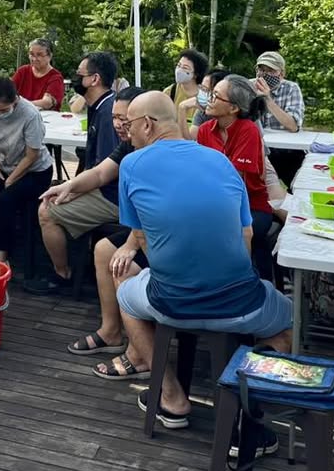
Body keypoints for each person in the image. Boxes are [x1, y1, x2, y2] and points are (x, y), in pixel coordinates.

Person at [116, 92, 293, 431]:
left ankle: (171, 396)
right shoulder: (219, 160)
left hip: (172, 300)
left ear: (148, 125)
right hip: (241, 299)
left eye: (129, 126)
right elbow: (246, 236)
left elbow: (140, 238)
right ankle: (249, 393)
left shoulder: (133, 165)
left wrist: (173, 273)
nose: (127, 133)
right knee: (287, 321)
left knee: (124, 284)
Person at [31, 87, 144, 346]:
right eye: (114, 117)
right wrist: (67, 186)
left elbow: (155, 210)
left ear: (145, 120)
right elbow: (100, 173)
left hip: (156, 232)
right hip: (132, 218)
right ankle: (111, 331)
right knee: (104, 249)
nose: (117, 124)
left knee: (117, 259)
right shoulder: (129, 145)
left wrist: (131, 244)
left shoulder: (155, 152)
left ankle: (139, 352)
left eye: (124, 119)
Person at [25, 54, 124, 295]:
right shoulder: (100, 105)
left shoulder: (109, 112)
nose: (75, 78)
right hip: (104, 187)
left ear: (94, 79)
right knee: (55, 191)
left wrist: (75, 189)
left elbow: (107, 170)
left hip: (114, 196)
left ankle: (62, 274)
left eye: (80, 74)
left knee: (47, 211)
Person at [196, 76, 276, 279]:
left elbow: (235, 182)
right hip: (215, 203)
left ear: (233, 108)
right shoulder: (205, 130)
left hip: (251, 205)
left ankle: (244, 283)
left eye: (216, 96)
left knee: (227, 231)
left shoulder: (248, 130)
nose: (209, 99)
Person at [0, 77, 55, 263]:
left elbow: (32, 154)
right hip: (3, 166)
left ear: (15, 100)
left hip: (34, 171)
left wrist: (11, 180)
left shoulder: (30, 114)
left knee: (6, 200)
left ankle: (3, 256)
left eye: (3, 110)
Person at [252, 51, 305, 186]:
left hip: (288, 152)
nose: (264, 74)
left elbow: (293, 126)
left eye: (270, 70)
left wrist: (267, 99)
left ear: (281, 74)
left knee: (296, 184)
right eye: (261, 69)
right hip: (260, 149)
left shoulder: (291, 88)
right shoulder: (248, 86)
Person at [11, 38, 66, 111]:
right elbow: (7, 91)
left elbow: (47, 102)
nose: (34, 59)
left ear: (49, 56)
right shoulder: (22, 71)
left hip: (45, 119)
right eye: (31, 54)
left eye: (39, 55)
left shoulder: (55, 77)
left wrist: (20, 104)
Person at [166, 49, 209, 135]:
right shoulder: (170, 91)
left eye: (185, 68)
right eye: (179, 65)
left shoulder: (205, 96)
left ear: (196, 74)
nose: (179, 70)